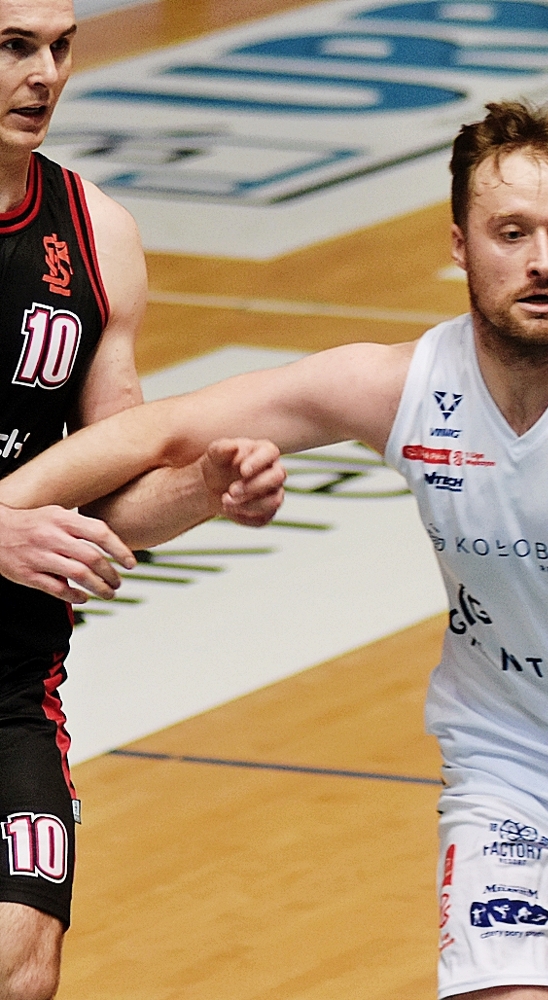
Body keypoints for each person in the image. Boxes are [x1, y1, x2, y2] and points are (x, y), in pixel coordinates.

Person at [0, 99, 548, 1000]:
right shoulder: (396, 385)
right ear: (459, 244)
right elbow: (156, 433)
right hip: (515, 774)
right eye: (512, 233)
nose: (543, 260)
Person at [0, 2, 283, 997]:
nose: (45, 74)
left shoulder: (97, 234)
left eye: (60, 47)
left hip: (8, 685)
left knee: (23, 963)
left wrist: (204, 488)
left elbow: (109, 495)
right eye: (14, 47)